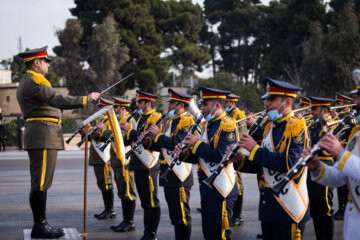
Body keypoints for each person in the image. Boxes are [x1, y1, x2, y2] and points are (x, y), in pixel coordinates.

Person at [16, 46, 99, 238]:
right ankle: (40, 226)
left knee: (40, 181)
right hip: (43, 135)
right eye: (45, 62)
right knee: (41, 181)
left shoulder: (30, 80)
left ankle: (40, 224)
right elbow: (57, 99)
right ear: (36, 62)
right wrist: (86, 99)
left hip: (42, 134)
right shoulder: (36, 80)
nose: (47, 65)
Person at [229, 78, 310, 240]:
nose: (266, 103)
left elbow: (291, 164)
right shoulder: (270, 126)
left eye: (271, 99)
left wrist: (254, 149)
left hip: (288, 207)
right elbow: (263, 165)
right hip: (268, 207)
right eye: (266, 99)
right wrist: (240, 161)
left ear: (287, 102)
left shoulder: (296, 126)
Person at [175, 86, 238, 240]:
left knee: (220, 235)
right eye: (201, 105)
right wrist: (184, 154)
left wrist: (196, 143)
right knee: (208, 233)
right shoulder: (207, 125)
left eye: (205, 105)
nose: (201, 108)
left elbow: (221, 156)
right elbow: (201, 156)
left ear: (217, 106)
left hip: (222, 188)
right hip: (208, 187)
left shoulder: (227, 125)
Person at [304, 69, 360, 239]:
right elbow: (339, 177)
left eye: (359, 97)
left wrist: (341, 154)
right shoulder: (356, 137)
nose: (356, 101)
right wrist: (316, 167)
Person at [145, 89, 195, 240]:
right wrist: (149, 143)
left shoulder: (187, 121)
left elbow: (176, 144)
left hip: (179, 175)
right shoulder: (172, 122)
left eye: (172, 103)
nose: (169, 106)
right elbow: (164, 146)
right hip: (169, 174)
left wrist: (157, 135)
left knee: (182, 216)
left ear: (180, 105)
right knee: (175, 216)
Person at [121, 90, 162, 240]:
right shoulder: (141, 118)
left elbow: (148, 140)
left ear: (148, 104)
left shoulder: (155, 118)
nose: (137, 104)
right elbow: (134, 140)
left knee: (151, 201)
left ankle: (151, 234)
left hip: (148, 165)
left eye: (140, 102)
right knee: (145, 202)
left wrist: (130, 131)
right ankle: (147, 232)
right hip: (138, 164)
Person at [104, 97, 138, 232]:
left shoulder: (127, 120)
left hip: (125, 162)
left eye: (116, 108)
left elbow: (122, 139)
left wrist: (104, 132)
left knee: (127, 191)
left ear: (122, 108)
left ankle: (129, 222)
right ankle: (125, 220)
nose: (113, 110)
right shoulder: (118, 120)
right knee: (122, 192)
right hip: (117, 161)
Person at [307, 96, 335, 240]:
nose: (311, 111)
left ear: (323, 110)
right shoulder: (313, 125)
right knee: (316, 208)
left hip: (325, 165)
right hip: (313, 166)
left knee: (325, 208)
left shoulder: (330, 124)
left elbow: (326, 144)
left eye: (314, 108)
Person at [87, 98, 117, 220]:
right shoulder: (99, 121)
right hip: (97, 156)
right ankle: (107, 208)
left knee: (106, 183)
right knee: (102, 183)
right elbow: (94, 138)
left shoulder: (109, 121)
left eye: (100, 107)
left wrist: (95, 131)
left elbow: (109, 136)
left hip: (104, 156)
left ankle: (110, 210)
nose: (97, 109)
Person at [224, 93, 246, 226]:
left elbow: (242, 132)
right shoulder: (226, 115)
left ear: (232, 103)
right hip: (227, 151)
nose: (224, 104)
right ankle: (232, 213)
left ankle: (238, 215)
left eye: (226, 103)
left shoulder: (239, 114)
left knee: (238, 184)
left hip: (236, 151)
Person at [332, 93, 354, 220]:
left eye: (338, 104)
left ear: (345, 105)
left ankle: (344, 208)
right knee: (340, 186)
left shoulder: (350, 118)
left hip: (347, 153)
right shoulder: (340, 117)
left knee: (345, 186)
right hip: (339, 154)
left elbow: (348, 138)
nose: (335, 106)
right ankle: (341, 207)